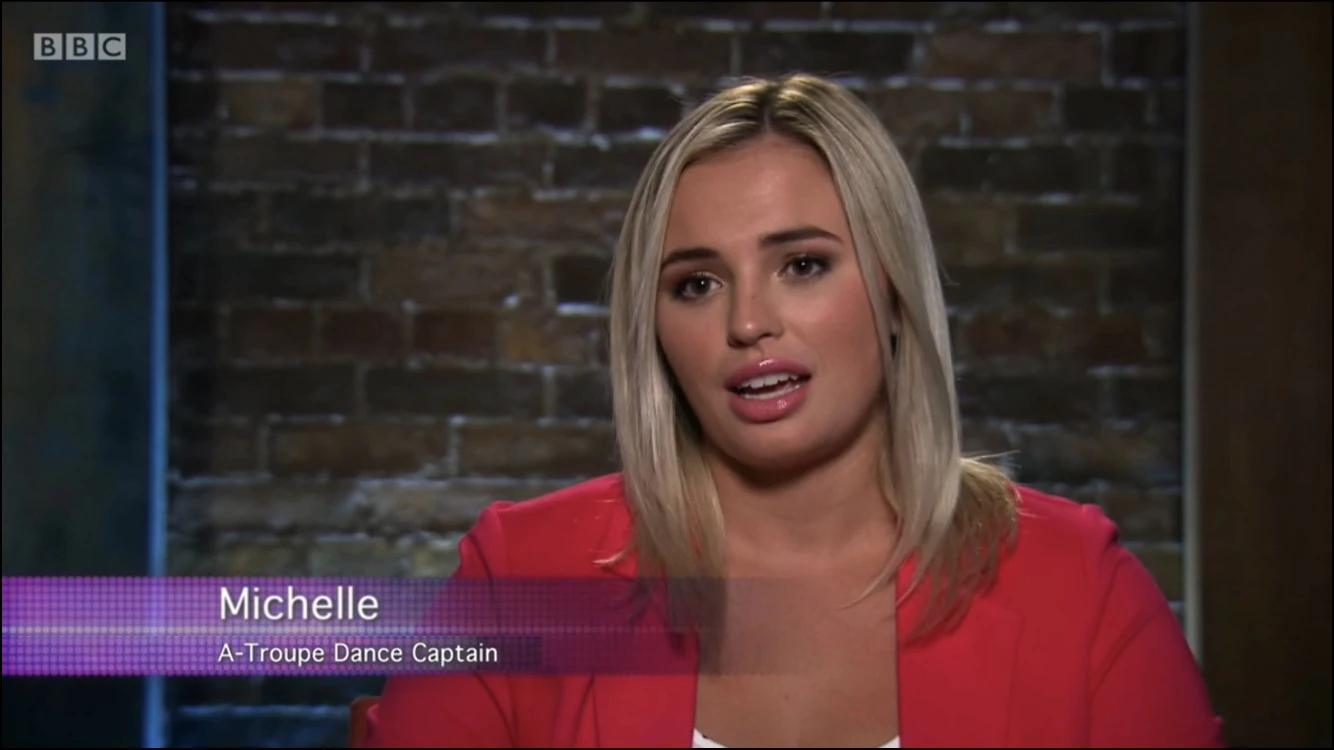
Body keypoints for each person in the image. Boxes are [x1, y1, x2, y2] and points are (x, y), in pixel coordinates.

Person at [362, 73, 1224, 748]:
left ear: (893, 291)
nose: (747, 322)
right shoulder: (520, 578)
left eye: (803, 265)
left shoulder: (1080, 587)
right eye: (696, 284)